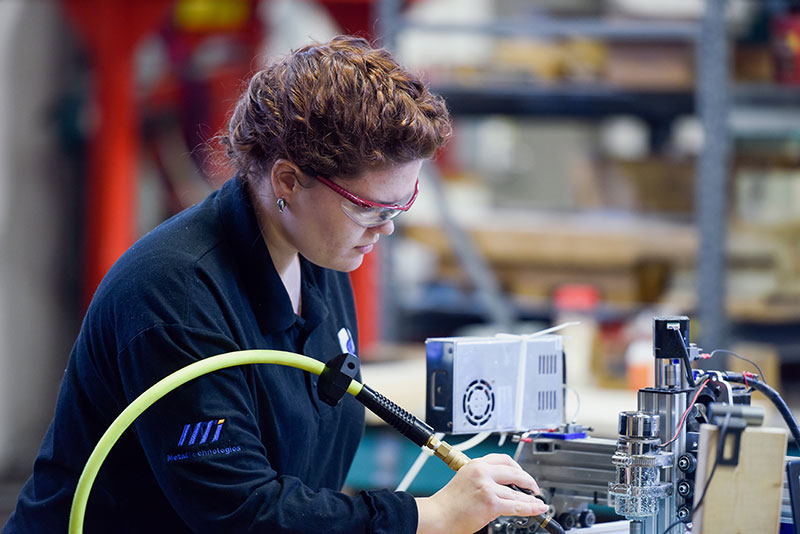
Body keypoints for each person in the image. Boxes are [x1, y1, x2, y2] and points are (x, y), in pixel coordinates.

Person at [3, 35, 547, 533]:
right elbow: (242, 513)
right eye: (370, 208)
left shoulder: (319, 256)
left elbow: (305, 473)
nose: (388, 228)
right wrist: (428, 515)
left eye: (402, 204)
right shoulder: (173, 295)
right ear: (288, 180)